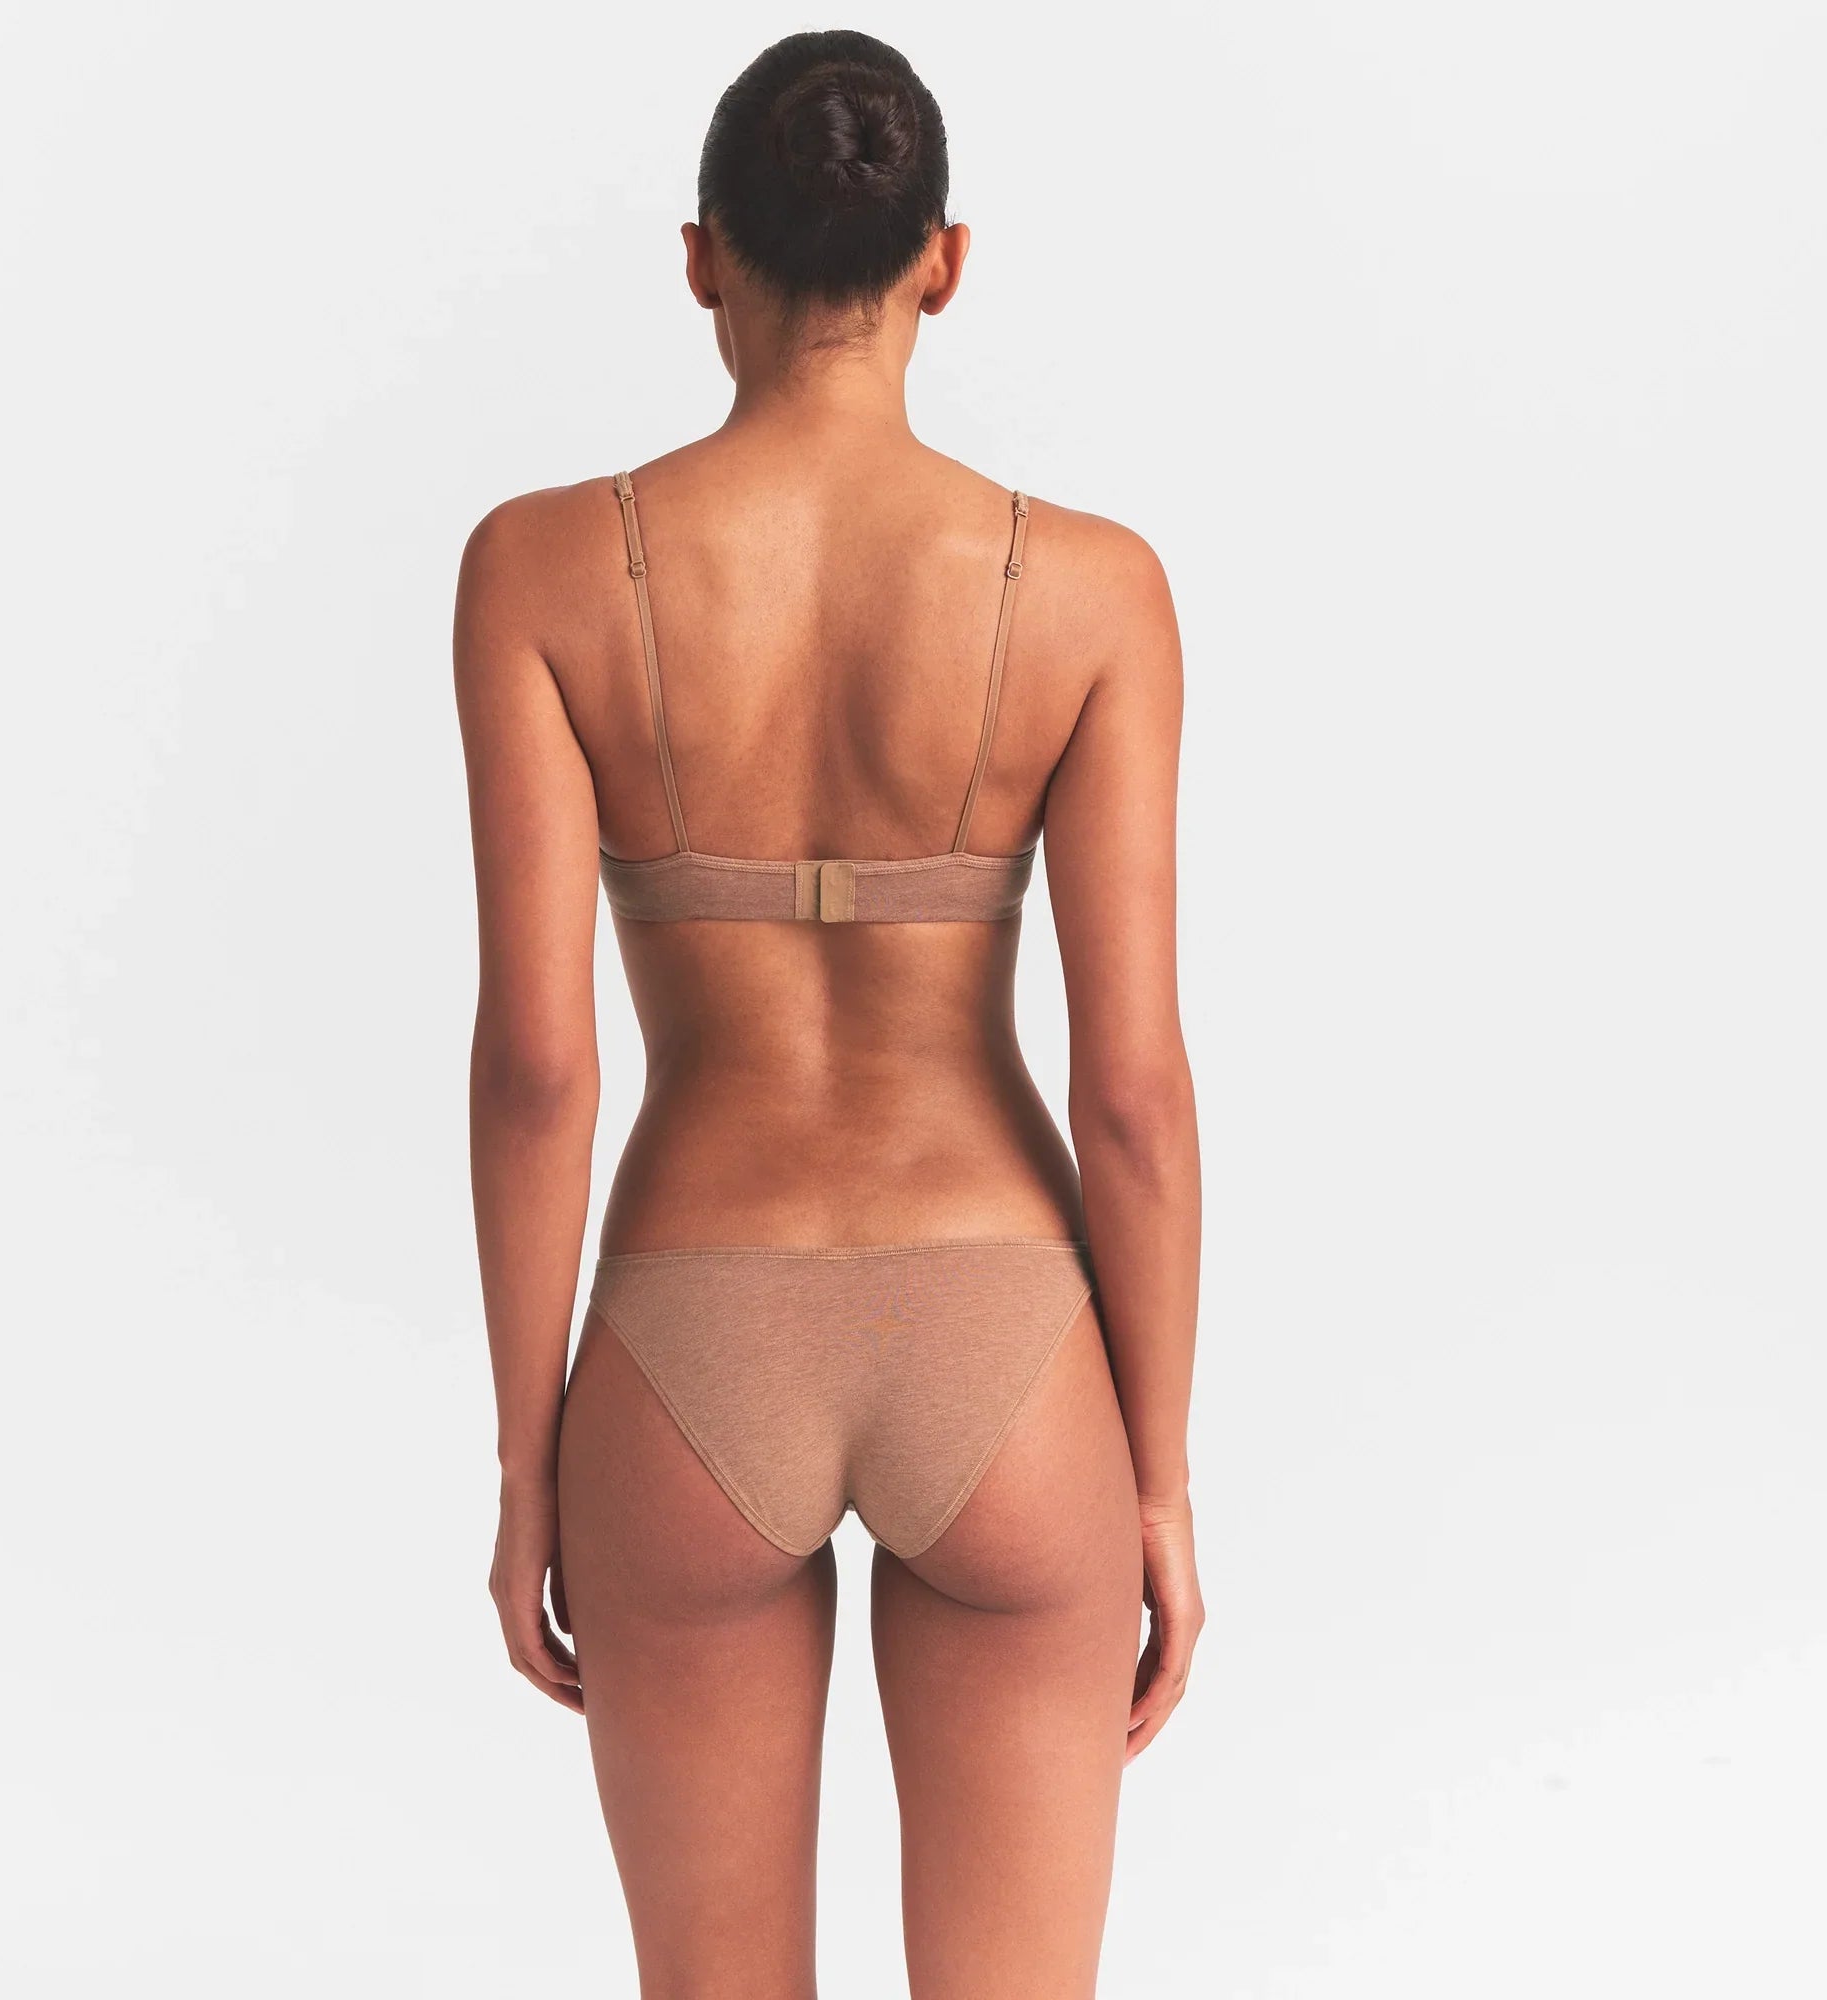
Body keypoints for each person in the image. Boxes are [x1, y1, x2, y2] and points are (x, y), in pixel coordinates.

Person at [453, 29, 1202, 1998]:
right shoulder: (1095, 590)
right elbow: (1133, 1095)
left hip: (690, 1329)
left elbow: (537, 1069)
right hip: (1005, 1338)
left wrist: (528, 1464)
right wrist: (1157, 1475)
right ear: (942, 260)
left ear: (704, 256)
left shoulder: (539, 570)